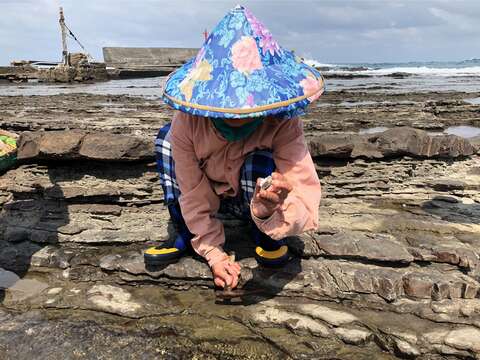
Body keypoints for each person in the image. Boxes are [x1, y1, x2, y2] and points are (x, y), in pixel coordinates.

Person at [144, 5, 324, 290]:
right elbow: (190, 190)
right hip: (208, 197)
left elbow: (305, 194)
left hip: (254, 202)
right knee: (165, 141)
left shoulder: (283, 123)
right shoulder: (187, 123)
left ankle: (264, 232)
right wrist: (213, 253)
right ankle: (184, 231)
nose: (237, 114)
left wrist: (270, 208)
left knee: (259, 161)